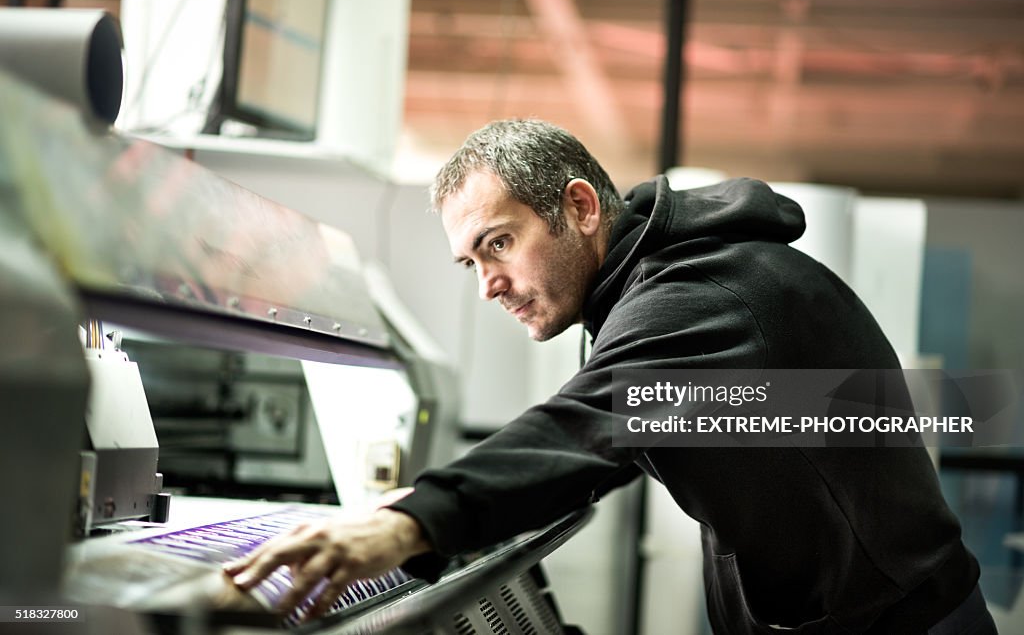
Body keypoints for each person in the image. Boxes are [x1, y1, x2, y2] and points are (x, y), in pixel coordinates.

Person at [224, 119, 995, 633]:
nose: (487, 283)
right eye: (470, 262)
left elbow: (591, 423)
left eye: (499, 243)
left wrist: (409, 523)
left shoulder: (704, 295)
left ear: (582, 207)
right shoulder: (672, 280)